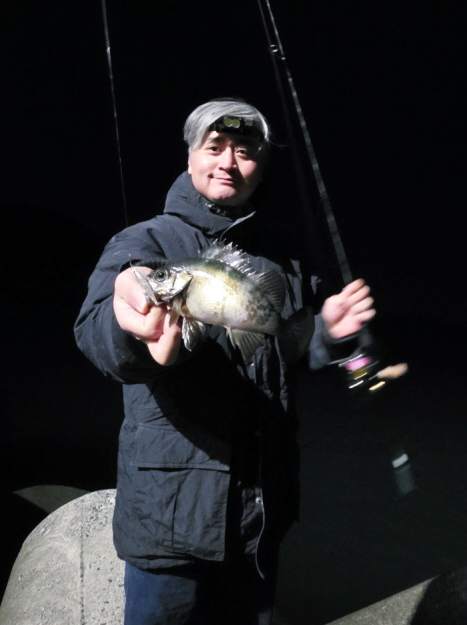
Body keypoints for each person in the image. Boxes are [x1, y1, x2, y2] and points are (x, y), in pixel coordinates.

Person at [74, 97, 375, 625]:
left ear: (262, 163)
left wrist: (328, 334)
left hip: (260, 518)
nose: (228, 163)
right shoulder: (145, 241)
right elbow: (96, 332)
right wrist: (129, 329)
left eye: (245, 151)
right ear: (191, 154)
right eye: (214, 147)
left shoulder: (284, 258)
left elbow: (284, 347)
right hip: (170, 520)